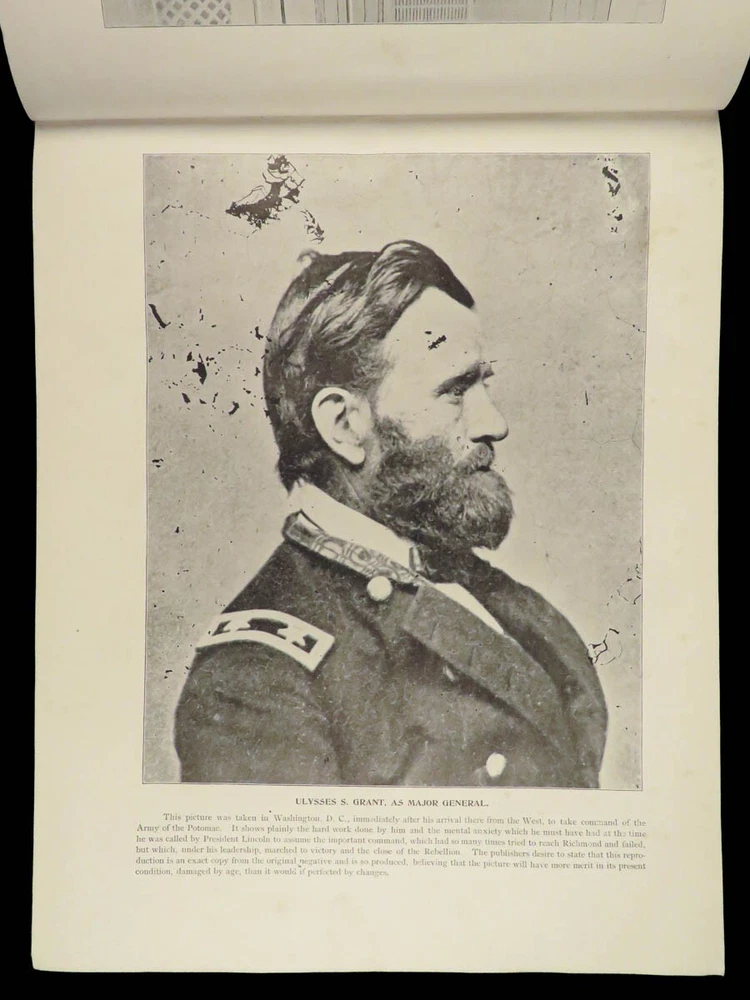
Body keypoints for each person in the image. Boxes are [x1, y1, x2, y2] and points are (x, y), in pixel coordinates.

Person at [174, 240, 607, 786]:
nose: (494, 424)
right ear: (345, 425)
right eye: (455, 391)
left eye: (484, 384)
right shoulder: (255, 682)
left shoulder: (488, 595)